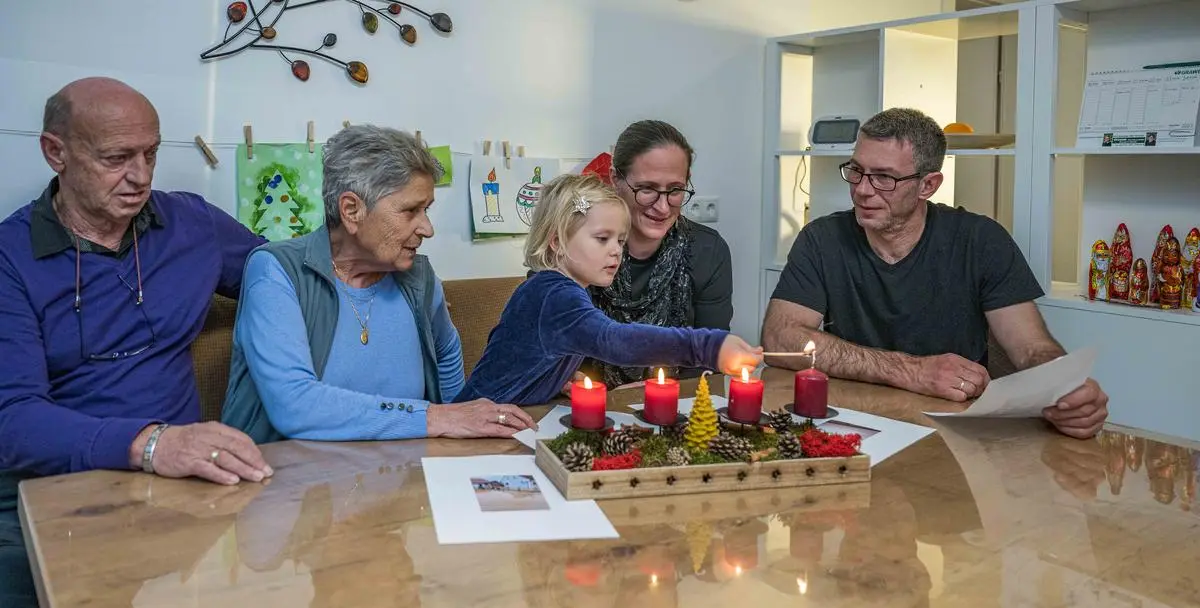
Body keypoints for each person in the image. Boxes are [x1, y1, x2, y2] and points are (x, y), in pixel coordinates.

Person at [0, 77, 272, 608]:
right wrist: (153, 443)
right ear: (56, 152)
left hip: (178, 494)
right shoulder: (9, 258)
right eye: (116, 158)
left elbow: (280, 280)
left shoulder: (192, 224)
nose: (141, 176)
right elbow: (12, 419)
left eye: (150, 153)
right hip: (44, 495)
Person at [761, 107, 1108, 439]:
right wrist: (912, 372)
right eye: (856, 170)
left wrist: (1064, 385)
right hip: (852, 420)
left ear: (928, 185)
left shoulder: (980, 241)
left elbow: (1031, 348)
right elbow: (780, 340)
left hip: (953, 430)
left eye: (883, 177)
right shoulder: (822, 239)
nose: (862, 189)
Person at [222, 124, 535, 443]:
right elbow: (294, 405)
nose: (427, 229)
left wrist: (460, 423)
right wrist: (439, 418)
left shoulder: (420, 278)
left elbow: (446, 350)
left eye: (426, 210)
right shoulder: (275, 270)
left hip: (401, 474)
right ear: (351, 210)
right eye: (411, 210)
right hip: (290, 481)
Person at [456, 174, 761, 406]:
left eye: (620, 240)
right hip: (477, 430)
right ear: (557, 242)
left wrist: (555, 378)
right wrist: (709, 347)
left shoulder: (558, 289)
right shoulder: (555, 294)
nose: (616, 251)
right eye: (602, 239)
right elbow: (615, 341)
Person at [585, 120, 734, 388]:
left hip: (676, 409)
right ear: (616, 179)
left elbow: (710, 358)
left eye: (675, 190)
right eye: (647, 189)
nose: (663, 207)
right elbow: (540, 344)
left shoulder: (707, 251)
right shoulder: (575, 245)